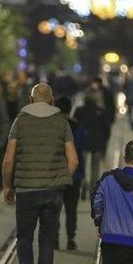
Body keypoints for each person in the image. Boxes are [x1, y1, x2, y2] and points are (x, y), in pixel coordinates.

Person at [2, 84, 79, 264]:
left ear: (31, 99)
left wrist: (7, 185)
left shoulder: (20, 121)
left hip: (26, 189)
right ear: (52, 100)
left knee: (24, 237)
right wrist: (61, 177)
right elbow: (73, 160)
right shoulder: (61, 122)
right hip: (53, 192)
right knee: (47, 242)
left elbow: (8, 160)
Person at [57, 96, 88, 250]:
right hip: (74, 175)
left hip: (55, 174)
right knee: (71, 208)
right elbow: (84, 144)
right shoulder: (78, 127)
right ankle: (71, 239)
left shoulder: (51, 126)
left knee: (54, 208)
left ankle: (54, 240)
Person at [74, 86, 112, 195]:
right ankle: (93, 188)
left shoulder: (79, 111)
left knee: (83, 165)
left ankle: (83, 185)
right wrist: (104, 141)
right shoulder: (101, 111)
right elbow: (107, 129)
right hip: (97, 143)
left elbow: (73, 125)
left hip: (82, 142)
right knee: (95, 167)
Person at [0, 81, 21, 200]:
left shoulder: (23, 104)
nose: (13, 91)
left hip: (17, 138)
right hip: (1, 137)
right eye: (11, 88)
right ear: (7, 89)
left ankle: (12, 187)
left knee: (16, 164)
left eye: (15, 88)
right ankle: (0, 185)